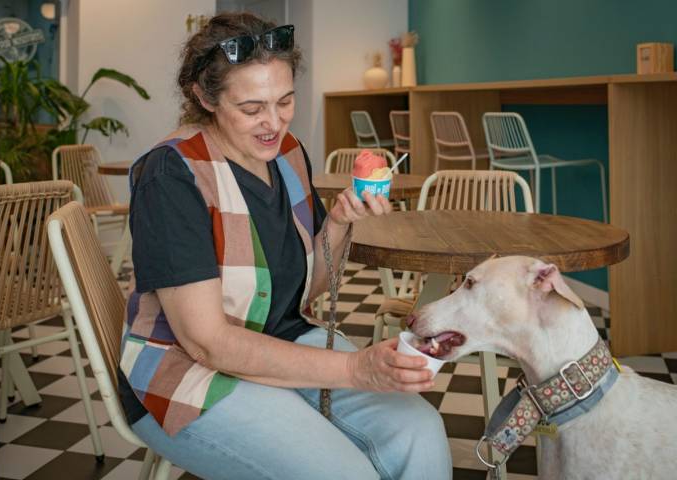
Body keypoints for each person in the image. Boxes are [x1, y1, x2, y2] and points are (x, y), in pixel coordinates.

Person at [119, 12, 452, 480]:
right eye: (252, 109)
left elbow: (307, 290)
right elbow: (206, 343)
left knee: (421, 430)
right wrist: (357, 369)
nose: (272, 123)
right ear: (204, 97)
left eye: (285, 101)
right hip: (186, 374)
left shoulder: (288, 154)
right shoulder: (171, 176)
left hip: (281, 341)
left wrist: (337, 221)